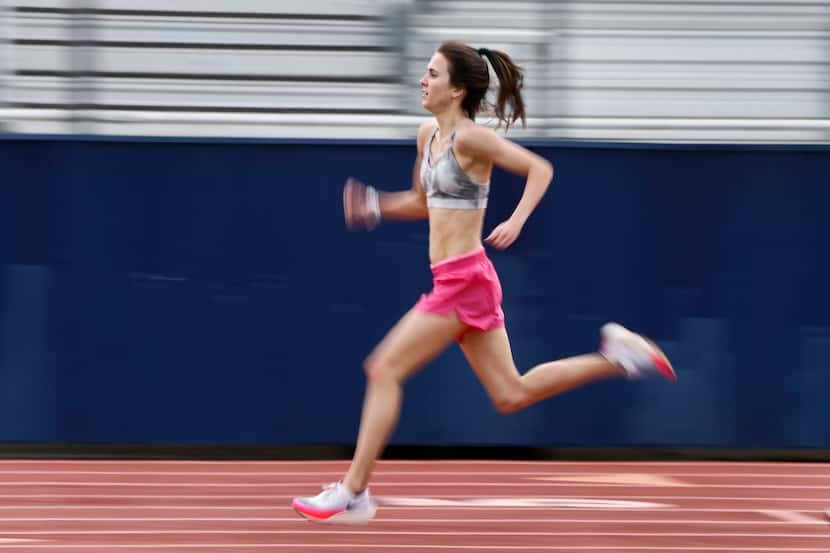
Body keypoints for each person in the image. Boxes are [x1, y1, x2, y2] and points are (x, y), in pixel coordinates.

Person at [291, 40, 676, 523]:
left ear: (456, 89)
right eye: (425, 73)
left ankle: (354, 491)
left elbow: (540, 168)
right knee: (511, 393)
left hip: (464, 281)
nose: (422, 81)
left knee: (383, 368)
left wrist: (515, 219)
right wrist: (376, 205)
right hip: (458, 280)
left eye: (432, 74)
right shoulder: (426, 134)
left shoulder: (471, 140)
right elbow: (423, 202)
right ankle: (618, 358)